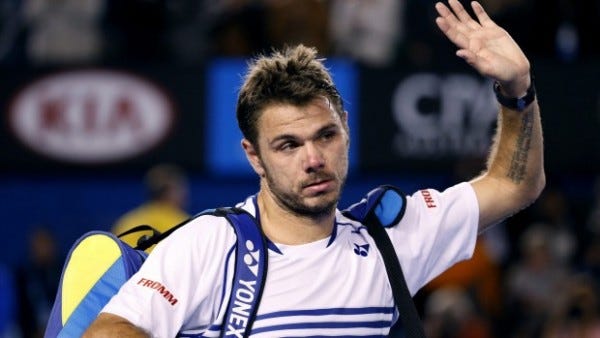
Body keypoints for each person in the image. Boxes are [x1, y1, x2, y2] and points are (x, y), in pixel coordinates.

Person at [83, 0, 545, 336]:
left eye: (325, 135)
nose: (313, 159)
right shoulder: (207, 245)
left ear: (346, 129)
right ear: (254, 156)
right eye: (287, 145)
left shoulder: (395, 236)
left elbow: (514, 184)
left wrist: (517, 89)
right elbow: (109, 331)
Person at [112, 163, 190, 251]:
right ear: (170, 192)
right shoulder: (182, 223)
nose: (185, 193)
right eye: (181, 188)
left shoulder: (128, 220)